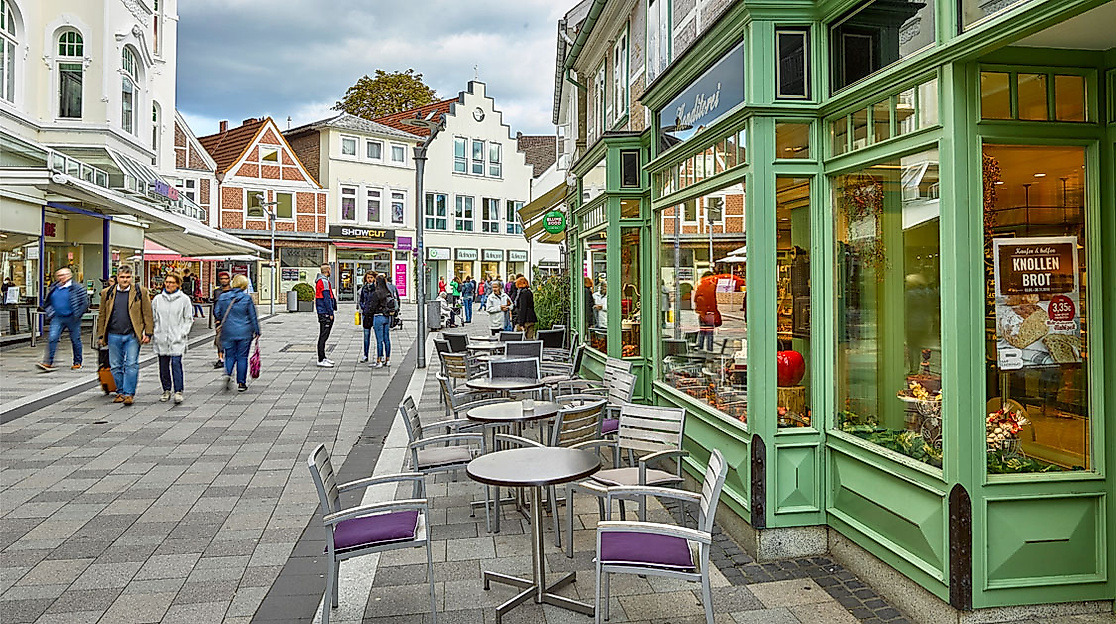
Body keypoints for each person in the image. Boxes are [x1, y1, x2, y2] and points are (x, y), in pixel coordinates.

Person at [95, 265, 153, 406]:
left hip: (132, 334)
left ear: (131, 278)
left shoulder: (141, 292)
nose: (125, 280)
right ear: (117, 278)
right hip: (113, 334)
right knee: (115, 366)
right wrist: (101, 335)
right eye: (122, 277)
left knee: (131, 364)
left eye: (128, 277)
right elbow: (102, 314)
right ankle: (120, 391)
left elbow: (147, 313)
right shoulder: (107, 293)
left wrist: (148, 332)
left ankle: (128, 394)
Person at [214, 275, 260, 392]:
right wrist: (257, 330)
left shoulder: (223, 297)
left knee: (229, 355)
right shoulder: (246, 298)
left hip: (228, 331)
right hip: (244, 332)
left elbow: (217, 312)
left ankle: (228, 373)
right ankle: (241, 383)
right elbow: (252, 315)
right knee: (242, 357)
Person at [37, 267, 90, 371]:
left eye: (63, 275)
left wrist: (78, 314)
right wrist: (50, 312)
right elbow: (48, 301)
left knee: (75, 340)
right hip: (57, 317)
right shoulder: (54, 287)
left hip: (72, 317)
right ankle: (48, 362)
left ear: (69, 275)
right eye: (59, 275)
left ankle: (77, 362)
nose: (61, 277)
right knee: (52, 338)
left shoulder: (77, 288)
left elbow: (85, 303)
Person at [152, 273, 193, 403]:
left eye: (172, 282)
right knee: (163, 365)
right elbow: (153, 317)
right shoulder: (157, 299)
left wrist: (182, 332)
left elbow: (188, 318)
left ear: (178, 284)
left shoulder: (184, 299)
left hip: (177, 338)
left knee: (176, 363)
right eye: (167, 282)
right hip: (162, 337)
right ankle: (166, 389)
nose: (169, 284)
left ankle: (178, 391)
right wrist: (155, 331)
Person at [369, 274, 394, 368]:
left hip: (378, 317)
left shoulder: (377, 293)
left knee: (379, 340)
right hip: (387, 317)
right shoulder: (388, 292)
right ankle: (387, 360)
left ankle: (379, 360)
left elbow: (372, 307)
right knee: (387, 339)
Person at [314, 263, 337, 368]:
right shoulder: (324, 282)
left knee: (323, 335)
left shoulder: (321, 281)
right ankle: (321, 359)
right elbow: (327, 298)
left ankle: (323, 357)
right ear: (328, 270)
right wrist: (330, 312)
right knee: (323, 336)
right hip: (325, 312)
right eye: (330, 269)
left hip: (322, 311)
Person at [693, 271, 721, 351]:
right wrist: (714, 312)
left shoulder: (700, 286)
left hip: (702, 312)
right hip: (709, 313)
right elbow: (713, 302)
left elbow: (696, 299)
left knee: (702, 331)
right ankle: (709, 349)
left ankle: (700, 348)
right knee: (709, 333)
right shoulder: (711, 287)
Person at [211, 272, 232, 368]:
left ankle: (229, 357)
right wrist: (216, 318)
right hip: (220, 320)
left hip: (231, 320)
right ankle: (220, 358)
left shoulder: (233, 292)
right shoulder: (217, 292)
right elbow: (215, 306)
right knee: (219, 339)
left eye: (226, 278)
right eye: (222, 278)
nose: (224, 280)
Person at [357, 272, 377, 363]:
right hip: (366, 314)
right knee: (366, 336)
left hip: (375, 314)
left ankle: (380, 355)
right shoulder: (364, 289)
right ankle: (365, 355)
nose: (370, 279)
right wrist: (363, 307)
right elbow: (361, 300)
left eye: (371, 277)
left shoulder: (377, 288)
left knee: (378, 337)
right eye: (368, 277)